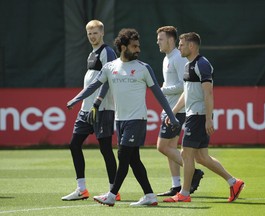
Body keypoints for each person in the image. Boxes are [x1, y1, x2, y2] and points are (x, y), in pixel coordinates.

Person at [66, 28, 180, 207]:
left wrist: (172, 116)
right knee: (134, 159)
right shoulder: (110, 67)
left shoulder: (144, 68)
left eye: (138, 46)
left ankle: (111, 195)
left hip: (137, 120)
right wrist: (76, 98)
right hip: (120, 121)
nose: (138, 49)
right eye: (134, 46)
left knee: (123, 155)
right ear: (123, 46)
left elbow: (158, 94)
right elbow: (94, 86)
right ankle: (150, 195)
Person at [163, 32, 244, 203]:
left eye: (182, 44)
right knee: (201, 157)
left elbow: (208, 93)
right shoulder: (188, 65)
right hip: (194, 115)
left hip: (199, 116)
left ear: (191, 46)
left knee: (186, 154)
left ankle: (184, 194)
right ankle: (234, 182)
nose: (179, 47)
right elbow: (187, 93)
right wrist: (174, 111)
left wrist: (208, 118)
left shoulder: (203, 64)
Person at [61, 20, 120, 201]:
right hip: (86, 109)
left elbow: (108, 79)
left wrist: (98, 101)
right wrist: (78, 100)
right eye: (89, 33)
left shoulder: (107, 52)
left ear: (102, 33)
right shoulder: (92, 53)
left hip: (101, 109)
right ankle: (81, 189)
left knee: (105, 149)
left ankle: (113, 191)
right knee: (74, 144)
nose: (92, 36)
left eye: (95, 33)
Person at [155, 26, 204, 197]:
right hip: (170, 108)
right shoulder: (167, 58)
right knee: (170, 147)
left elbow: (185, 86)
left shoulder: (177, 57)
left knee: (162, 147)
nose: (158, 42)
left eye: (161, 39)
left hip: (178, 109)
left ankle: (193, 172)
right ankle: (176, 185)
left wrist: (163, 90)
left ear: (170, 40)